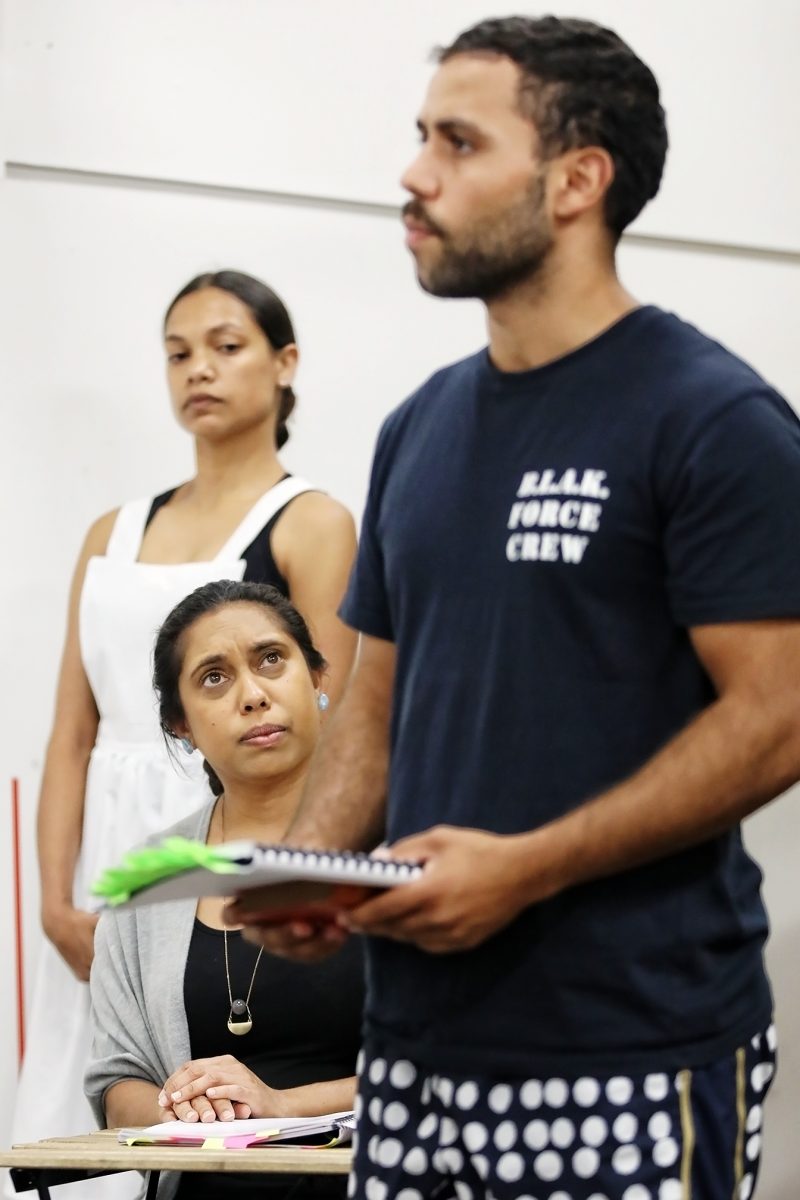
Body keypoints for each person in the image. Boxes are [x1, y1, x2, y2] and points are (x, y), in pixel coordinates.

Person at [231, 16, 800, 1200]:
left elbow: (780, 713)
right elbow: (376, 706)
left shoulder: (710, 420)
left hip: (626, 1048)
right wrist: (313, 864)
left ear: (575, 180)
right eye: (417, 136)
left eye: (456, 142)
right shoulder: (419, 428)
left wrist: (527, 866)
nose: (412, 172)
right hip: (409, 1054)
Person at [10, 269, 357, 1192]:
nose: (199, 369)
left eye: (227, 346)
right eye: (177, 352)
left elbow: (340, 707)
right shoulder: (111, 530)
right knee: (108, 1089)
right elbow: (70, 730)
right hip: (119, 858)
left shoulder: (313, 520)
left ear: (286, 365)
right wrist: (55, 902)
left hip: (253, 813)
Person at [86, 580, 364, 1200]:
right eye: (214, 677)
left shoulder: (403, 846)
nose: (253, 695)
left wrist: (279, 1107)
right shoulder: (149, 877)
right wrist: (181, 1110)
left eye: (272, 659)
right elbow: (115, 1081)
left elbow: (463, 1063)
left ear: (317, 678)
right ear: (180, 724)